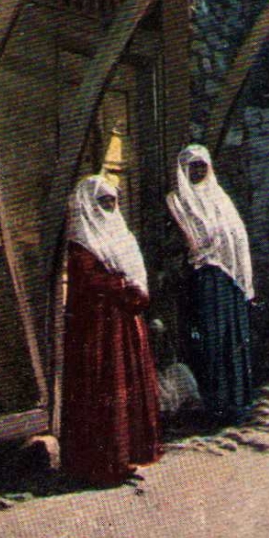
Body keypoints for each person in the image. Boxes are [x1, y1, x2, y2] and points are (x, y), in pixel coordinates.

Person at [59, 174, 162, 487]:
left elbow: (134, 271)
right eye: (101, 202)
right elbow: (88, 279)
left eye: (111, 201)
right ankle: (99, 464)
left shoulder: (119, 234)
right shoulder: (82, 240)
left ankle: (126, 456)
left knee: (127, 387)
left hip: (124, 321)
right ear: (87, 205)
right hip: (97, 327)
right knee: (102, 387)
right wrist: (121, 285)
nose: (106, 207)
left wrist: (134, 289)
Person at [166, 142, 254, 426]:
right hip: (202, 278)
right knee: (210, 342)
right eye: (192, 167)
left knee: (233, 339)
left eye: (202, 166)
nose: (198, 172)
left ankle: (236, 404)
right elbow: (181, 244)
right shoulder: (177, 202)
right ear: (183, 170)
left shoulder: (220, 198)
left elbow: (236, 239)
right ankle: (214, 407)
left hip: (230, 279)